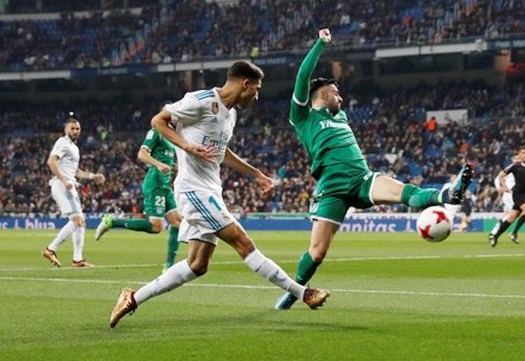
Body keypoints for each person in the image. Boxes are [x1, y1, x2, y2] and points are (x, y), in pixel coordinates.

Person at [109, 61, 329, 328]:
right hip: (193, 190)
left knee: (197, 265)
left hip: (211, 189)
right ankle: (303, 293)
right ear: (244, 84)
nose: (257, 96)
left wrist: (255, 172)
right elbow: (158, 121)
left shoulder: (231, 114)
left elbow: (223, 151)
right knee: (242, 242)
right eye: (256, 90)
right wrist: (187, 146)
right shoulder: (200, 101)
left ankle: (132, 297)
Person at [274, 29, 473, 310]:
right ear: (322, 94)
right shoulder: (303, 117)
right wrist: (321, 44)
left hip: (362, 179)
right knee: (317, 252)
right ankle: (294, 290)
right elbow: (303, 77)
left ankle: (448, 196)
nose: (340, 98)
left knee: (407, 193)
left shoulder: (340, 116)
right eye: (336, 93)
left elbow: (336, 104)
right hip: (332, 188)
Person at [95, 127, 183, 272]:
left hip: (165, 185)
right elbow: (142, 154)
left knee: (177, 222)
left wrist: (174, 166)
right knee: (156, 227)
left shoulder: (172, 136)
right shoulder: (157, 132)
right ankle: (112, 222)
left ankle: (169, 266)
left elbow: (165, 158)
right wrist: (158, 164)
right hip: (155, 183)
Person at [42, 116, 105, 268]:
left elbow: (75, 171)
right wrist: (64, 180)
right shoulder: (62, 142)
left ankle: (77, 259)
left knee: (81, 222)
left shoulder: (74, 148)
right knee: (78, 221)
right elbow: (51, 161)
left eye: (77, 129)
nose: (75, 131)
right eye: (72, 128)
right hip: (63, 185)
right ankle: (51, 249)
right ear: (66, 129)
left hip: (69, 184)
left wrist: (92, 176)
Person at [489, 146, 525, 247]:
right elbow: (501, 176)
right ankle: (514, 233)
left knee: (511, 218)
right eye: (523, 153)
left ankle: (495, 236)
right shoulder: (515, 166)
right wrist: (504, 186)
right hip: (517, 194)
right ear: (519, 155)